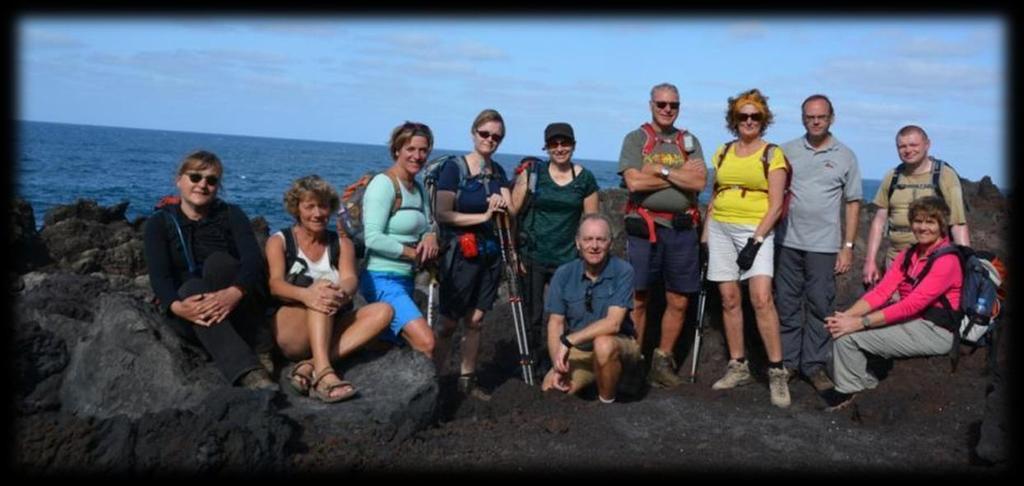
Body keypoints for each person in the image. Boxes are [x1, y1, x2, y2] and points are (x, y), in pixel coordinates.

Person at [143, 150, 278, 391]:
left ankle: (259, 345)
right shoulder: (158, 223)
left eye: (211, 180)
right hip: (191, 314)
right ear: (179, 180)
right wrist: (176, 307)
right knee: (191, 288)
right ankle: (251, 372)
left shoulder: (231, 215)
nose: (202, 185)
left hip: (238, 306)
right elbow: (159, 276)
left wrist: (234, 292)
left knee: (219, 263)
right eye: (195, 177)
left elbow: (253, 261)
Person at [823, 196, 963, 411]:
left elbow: (911, 305)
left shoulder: (947, 261)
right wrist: (847, 317)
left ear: (942, 225)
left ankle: (851, 394)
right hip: (913, 320)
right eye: (918, 221)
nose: (922, 227)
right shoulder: (909, 254)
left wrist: (859, 323)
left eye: (930, 222)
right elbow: (881, 292)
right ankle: (866, 385)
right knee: (843, 330)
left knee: (847, 339)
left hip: (935, 329)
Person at [701, 88, 791, 408]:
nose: (749, 121)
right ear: (734, 120)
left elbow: (777, 205)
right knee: (728, 299)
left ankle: (777, 371)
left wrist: (755, 241)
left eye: (755, 116)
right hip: (721, 226)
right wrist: (705, 233)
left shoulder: (772, 154)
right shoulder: (723, 152)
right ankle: (737, 365)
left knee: (761, 298)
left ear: (764, 119)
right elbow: (716, 193)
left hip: (756, 229)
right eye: (743, 116)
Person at [266, 175, 393, 403]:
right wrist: (308, 294)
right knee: (321, 290)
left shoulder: (341, 244)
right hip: (292, 326)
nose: (317, 213)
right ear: (297, 209)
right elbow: (275, 285)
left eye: (323, 206)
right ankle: (325, 375)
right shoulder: (280, 241)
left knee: (383, 311)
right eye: (310, 206)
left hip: (332, 321)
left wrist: (341, 292)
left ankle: (311, 365)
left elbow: (350, 279)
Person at [617, 82, 707, 389]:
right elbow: (634, 185)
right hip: (645, 228)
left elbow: (698, 183)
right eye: (662, 104)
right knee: (638, 298)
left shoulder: (689, 140)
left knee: (679, 299)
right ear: (651, 104)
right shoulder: (636, 139)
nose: (668, 109)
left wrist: (661, 172)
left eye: (674, 105)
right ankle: (632, 363)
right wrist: (681, 179)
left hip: (682, 229)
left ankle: (662, 361)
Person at [775, 94, 863, 393]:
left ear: (831, 118)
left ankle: (813, 365)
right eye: (810, 116)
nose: (815, 121)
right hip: (786, 241)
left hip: (824, 246)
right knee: (786, 304)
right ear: (803, 118)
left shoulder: (845, 155)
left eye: (821, 117)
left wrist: (847, 247)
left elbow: (853, 202)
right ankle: (787, 364)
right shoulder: (785, 151)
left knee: (820, 305)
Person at [509, 122, 599, 379]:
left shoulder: (585, 178)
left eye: (565, 143)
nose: (560, 148)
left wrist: (589, 258)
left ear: (573, 145)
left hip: (568, 258)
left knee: (568, 314)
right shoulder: (533, 173)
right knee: (533, 315)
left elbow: (591, 221)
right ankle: (531, 367)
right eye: (554, 144)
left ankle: (566, 365)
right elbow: (513, 211)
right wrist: (514, 252)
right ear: (546, 147)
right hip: (533, 254)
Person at [434, 108, 513, 400]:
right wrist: (483, 216)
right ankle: (435, 380)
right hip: (461, 254)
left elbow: (510, 211)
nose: (490, 140)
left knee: (476, 320)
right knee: (448, 322)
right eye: (485, 134)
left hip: (489, 255)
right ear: (473, 132)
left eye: (496, 137)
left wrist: (506, 204)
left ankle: (466, 380)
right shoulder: (455, 168)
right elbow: (443, 213)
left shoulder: (498, 172)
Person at [357, 121, 440, 358]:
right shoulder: (383, 185)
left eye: (423, 150)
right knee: (426, 343)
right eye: (410, 149)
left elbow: (428, 222)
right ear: (397, 150)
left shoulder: (419, 188)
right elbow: (372, 238)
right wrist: (412, 253)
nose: (417, 156)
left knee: (386, 347)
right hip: (381, 278)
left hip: (406, 279)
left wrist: (430, 236)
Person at [541, 213, 641, 403]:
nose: (594, 246)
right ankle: (588, 381)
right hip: (580, 351)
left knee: (603, 344)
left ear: (610, 243)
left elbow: (613, 324)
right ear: (578, 243)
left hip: (618, 346)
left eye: (600, 240)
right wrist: (558, 365)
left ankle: (606, 404)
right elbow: (555, 323)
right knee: (550, 390)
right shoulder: (564, 274)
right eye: (588, 239)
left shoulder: (623, 270)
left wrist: (568, 341)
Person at [862, 125, 969, 287]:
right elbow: (879, 221)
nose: (907, 150)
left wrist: (966, 263)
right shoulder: (892, 177)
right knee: (894, 309)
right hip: (896, 259)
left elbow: (958, 223)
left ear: (927, 145)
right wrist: (870, 261)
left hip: (933, 260)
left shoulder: (945, 176)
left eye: (913, 145)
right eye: (902, 146)